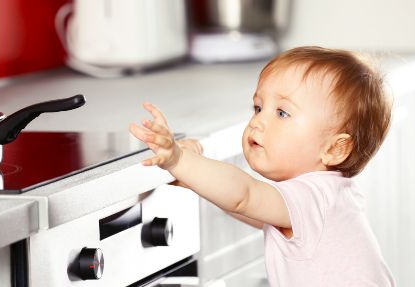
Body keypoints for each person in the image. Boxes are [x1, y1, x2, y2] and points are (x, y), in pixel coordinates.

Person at [129, 46, 396, 286]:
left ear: (334, 149)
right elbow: (255, 209)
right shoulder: (330, 196)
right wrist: (193, 177)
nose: (257, 122)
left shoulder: (312, 197)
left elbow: (244, 196)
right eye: (258, 108)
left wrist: (180, 160)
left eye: (282, 113)